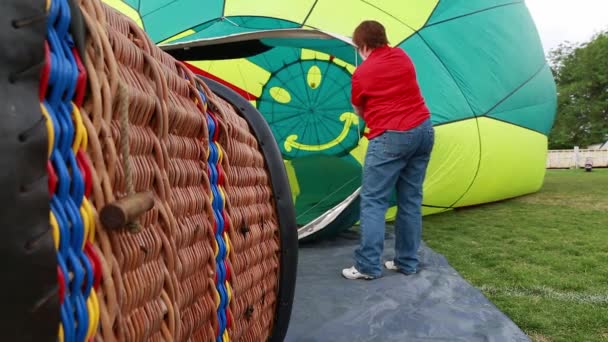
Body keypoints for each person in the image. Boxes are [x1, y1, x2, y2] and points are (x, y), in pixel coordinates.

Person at [342, 20, 435, 280]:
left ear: (361, 45)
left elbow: (359, 110)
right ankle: (407, 262)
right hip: (423, 131)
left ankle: (368, 266)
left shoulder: (362, 73)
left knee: (373, 201)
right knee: (411, 200)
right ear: (383, 38)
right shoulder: (402, 56)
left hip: (391, 136)